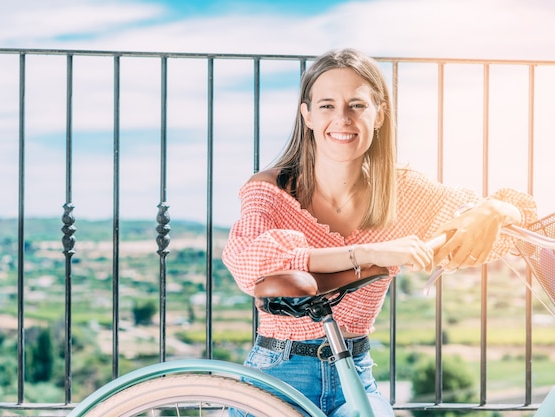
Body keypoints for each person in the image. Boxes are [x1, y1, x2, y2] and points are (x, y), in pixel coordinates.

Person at [221, 48, 537, 417]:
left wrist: (499, 209)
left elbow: (517, 221)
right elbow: (248, 262)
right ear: (306, 115)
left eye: (357, 105)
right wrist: (370, 253)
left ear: (379, 114)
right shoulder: (271, 190)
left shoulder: (405, 194)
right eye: (326, 106)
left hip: (354, 372)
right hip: (278, 371)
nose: (342, 118)